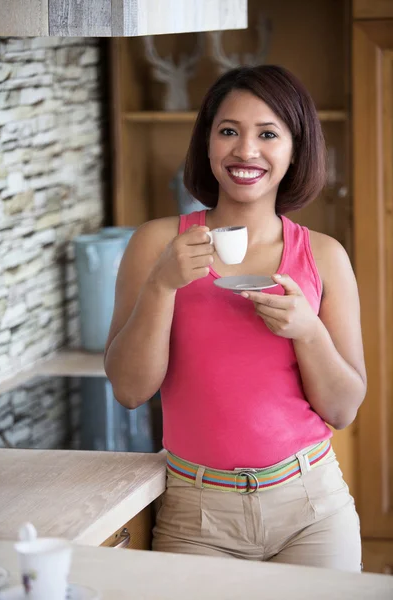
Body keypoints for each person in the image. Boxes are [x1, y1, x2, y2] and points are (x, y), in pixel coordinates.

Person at [104, 65, 366, 571]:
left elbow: (343, 409)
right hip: (196, 517)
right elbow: (130, 391)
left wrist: (307, 332)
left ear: (295, 150)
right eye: (229, 131)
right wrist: (162, 283)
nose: (245, 151)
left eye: (268, 134)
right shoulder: (157, 245)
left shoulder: (324, 256)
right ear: (207, 143)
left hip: (313, 511)